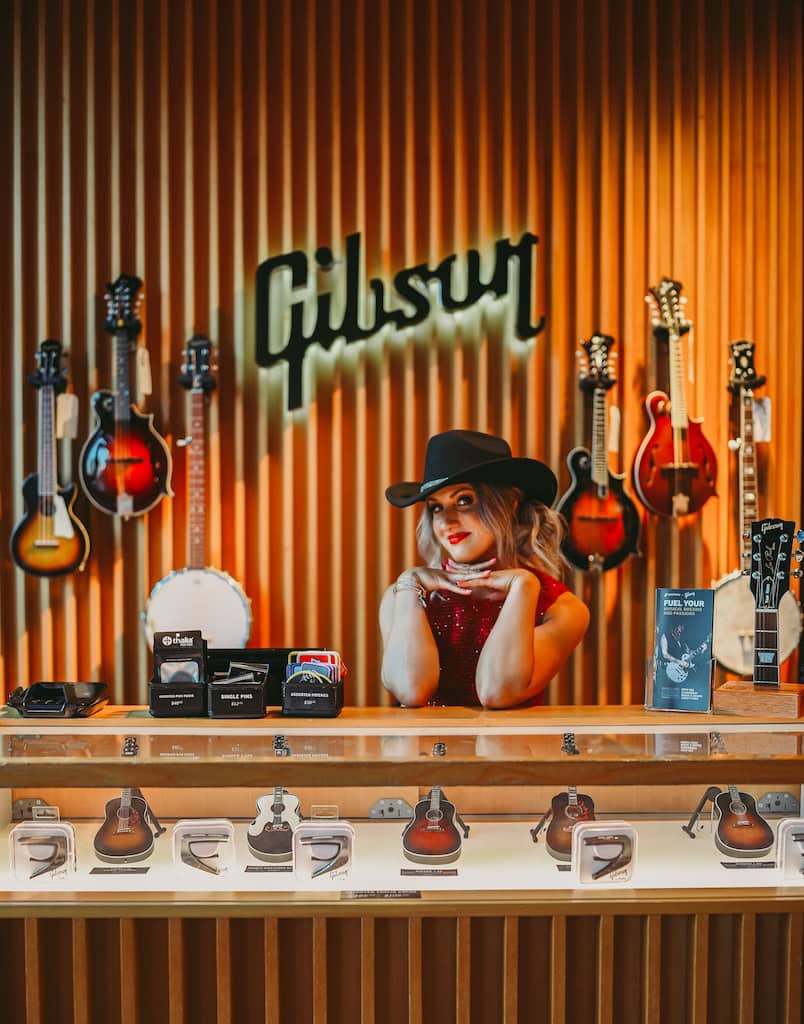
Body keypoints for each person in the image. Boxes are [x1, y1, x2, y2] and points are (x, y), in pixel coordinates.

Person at [380, 429, 589, 708]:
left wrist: (523, 587)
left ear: (510, 504)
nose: (446, 522)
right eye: (436, 508)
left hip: (512, 751)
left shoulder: (563, 610)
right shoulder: (402, 595)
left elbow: (496, 692)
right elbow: (411, 690)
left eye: (464, 500)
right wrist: (409, 584)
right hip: (422, 752)